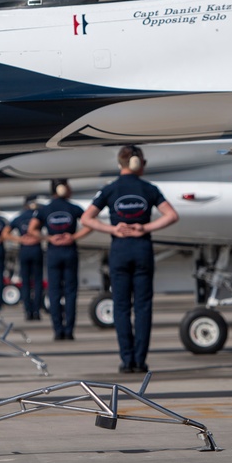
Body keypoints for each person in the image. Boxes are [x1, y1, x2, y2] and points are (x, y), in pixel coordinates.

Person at [81, 146, 179, 372]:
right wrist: (144, 227)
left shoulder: (110, 189)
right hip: (142, 249)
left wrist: (112, 229)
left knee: (122, 307)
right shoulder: (149, 188)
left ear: (120, 164)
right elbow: (172, 215)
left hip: (120, 251)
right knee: (143, 307)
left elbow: (87, 219)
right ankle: (140, 360)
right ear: (138, 164)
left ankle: (127, 361)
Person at [30, 180, 91, 340]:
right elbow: (89, 224)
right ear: (63, 188)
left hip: (53, 253)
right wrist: (74, 237)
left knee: (54, 292)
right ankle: (69, 331)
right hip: (69, 251)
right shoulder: (74, 208)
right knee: (70, 293)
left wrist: (49, 237)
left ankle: (58, 330)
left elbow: (32, 229)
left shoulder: (44, 209)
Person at [3, 195, 45, 321]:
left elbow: (5, 234)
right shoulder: (39, 216)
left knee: (25, 282)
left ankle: (28, 311)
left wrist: (19, 239)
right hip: (36, 249)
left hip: (24, 250)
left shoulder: (19, 218)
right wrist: (40, 237)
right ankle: (37, 311)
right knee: (37, 282)